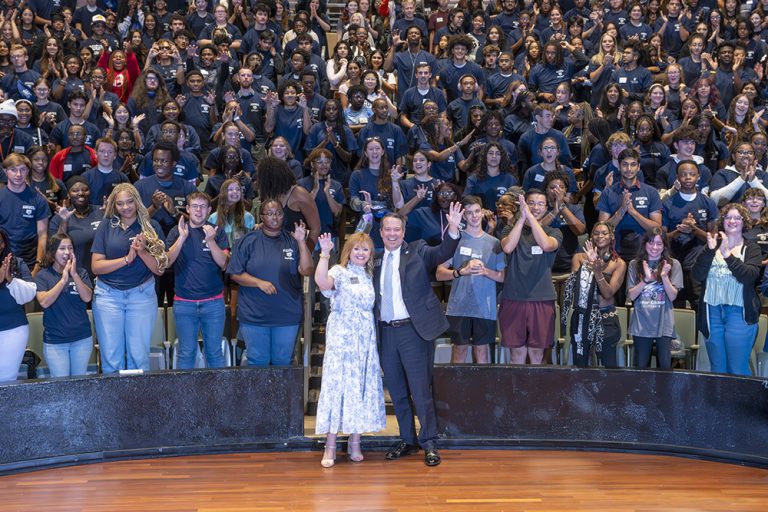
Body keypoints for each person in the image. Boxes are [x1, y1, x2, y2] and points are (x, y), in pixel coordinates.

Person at [377, 203, 463, 467]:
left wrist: (454, 230)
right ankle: (407, 439)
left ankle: (429, 442)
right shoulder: (374, 258)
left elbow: (443, 251)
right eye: (388, 229)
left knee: (420, 391)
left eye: (397, 229)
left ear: (403, 231)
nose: (392, 233)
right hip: (386, 333)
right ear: (381, 232)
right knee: (398, 392)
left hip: (414, 332)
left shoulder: (418, 250)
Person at [314, 232, 385, 467]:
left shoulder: (369, 275)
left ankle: (356, 442)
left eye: (365, 249)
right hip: (342, 338)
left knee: (359, 387)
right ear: (348, 251)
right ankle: (330, 446)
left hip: (364, 339)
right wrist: (324, 254)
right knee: (338, 386)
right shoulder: (338, 271)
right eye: (356, 249)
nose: (361, 253)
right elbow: (322, 283)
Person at [91, 183, 167, 374]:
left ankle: (137, 403)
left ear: (137, 201)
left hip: (141, 296)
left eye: (129, 202)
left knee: (139, 358)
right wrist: (126, 259)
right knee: (111, 359)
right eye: (120, 204)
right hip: (108, 297)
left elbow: (160, 270)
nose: (125, 207)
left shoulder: (151, 227)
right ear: (114, 206)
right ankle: (112, 403)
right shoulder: (106, 226)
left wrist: (141, 253)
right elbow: (96, 266)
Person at [227, 200, 313, 367]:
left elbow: (307, 270)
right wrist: (258, 282)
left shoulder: (292, 240)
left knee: (283, 362)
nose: (275, 217)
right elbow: (235, 274)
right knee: (258, 362)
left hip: (287, 315)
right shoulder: (247, 241)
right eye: (270, 213)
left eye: (279, 213)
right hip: (254, 316)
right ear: (262, 216)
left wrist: (302, 242)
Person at [436, 196, 506, 364]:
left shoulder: (495, 243)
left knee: (482, 353)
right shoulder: (455, 239)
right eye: (469, 213)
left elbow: (502, 277)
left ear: (482, 213)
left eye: (477, 211)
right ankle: (456, 390)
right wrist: (461, 271)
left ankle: (482, 390)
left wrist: (485, 271)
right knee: (459, 351)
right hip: (459, 306)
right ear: (464, 216)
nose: (474, 216)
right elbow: (439, 273)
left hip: (484, 308)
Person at [166, 193, 230, 370]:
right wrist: (181, 238)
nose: (198, 210)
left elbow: (224, 264)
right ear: (187, 209)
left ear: (209, 210)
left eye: (203, 206)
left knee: (214, 353)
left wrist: (211, 241)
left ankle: (217, 396)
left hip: (213, 303)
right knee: (186, 353)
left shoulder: (217, 231)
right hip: (184, 303)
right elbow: (166, 262)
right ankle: (184, 398)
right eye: (194, 206)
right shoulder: (177, 230)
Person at [696, 204, 762, 375]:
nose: (732, 221)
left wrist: (728, 255)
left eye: (737, 218)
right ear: (722, 221)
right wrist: (709, 252)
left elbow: (749, 276)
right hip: (712, 311)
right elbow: (697, 275)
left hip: (739, 312)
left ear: (744, 222)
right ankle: (720, 402)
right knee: (717, 368)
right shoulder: (712, 245)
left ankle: (741, 402)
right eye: (728, 217)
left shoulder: (752, 248)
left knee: (737, 368)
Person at [498, 190, 562, 365]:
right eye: (531, 203)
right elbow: (508, 248)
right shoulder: (510, 228)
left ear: (547, 207)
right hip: (513, 297)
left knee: (537, 355)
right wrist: (521, 218)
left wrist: (531, 217)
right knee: (516, 355)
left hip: (542, 298)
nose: (535, 207)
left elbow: (547, 245)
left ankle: (537, 392)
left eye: (540, 204)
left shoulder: (554, 231)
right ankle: (517, 393)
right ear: (524, 205)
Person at [563, 223, 627, 367]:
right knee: (580, 363)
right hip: (582, 317)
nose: (600, 236)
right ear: (591, 237)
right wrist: (589, 265)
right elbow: (576, 289)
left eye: (604, 233)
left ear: (611, 237)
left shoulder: (619, 263)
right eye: (596, 233)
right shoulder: (579, 258)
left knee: (607, 365)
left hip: (606, 319)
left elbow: (608, 293)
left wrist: (598, 271)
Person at [34, 234, 93, 377]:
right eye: (62, 248)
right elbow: (44, 301)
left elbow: (87, 297)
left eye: (70, 248)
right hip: (56, 341)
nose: (67, 252)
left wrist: (74, 275)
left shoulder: (81, 272)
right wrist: (63, 280)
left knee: (79, 383)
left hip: (82, 339)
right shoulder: (43, 276)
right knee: (62, 386)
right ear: (52, 252)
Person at [626, 228, 683, 369]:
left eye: (659, 244)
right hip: (641, 325)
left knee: (664, 369)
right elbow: (631, 295)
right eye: (651, 243)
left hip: (664, 324)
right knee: (640, 368)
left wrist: (664, 276)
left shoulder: (673, 264)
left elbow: (672, 296)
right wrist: (645, 280)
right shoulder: (634, 264)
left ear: (664, 246)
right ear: (645, 244)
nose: (655, 247)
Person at [0, 153, 49, 275]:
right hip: (2, 257)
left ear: (28, 171)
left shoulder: (38, 199)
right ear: (5, 171)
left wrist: (38, 265)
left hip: (29, 260)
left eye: (22, 170)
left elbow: (42, 235)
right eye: (13, 170)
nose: (18, 174)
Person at [0, 227, 37, 382]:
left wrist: (10, 279)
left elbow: (30, 294)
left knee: (6, 379)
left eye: (0, 242)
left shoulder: (16, 262)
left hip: (13, 330)